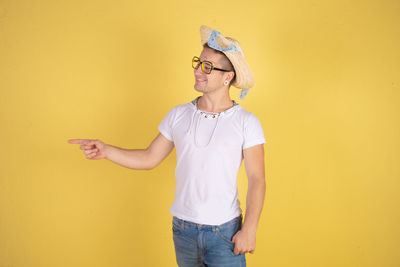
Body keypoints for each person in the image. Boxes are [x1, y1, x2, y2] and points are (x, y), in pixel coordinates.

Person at [68, 25, 266, 267]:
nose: (197, 71)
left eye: (207, 67)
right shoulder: (178, 115)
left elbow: (257, 178)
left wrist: (250, 230)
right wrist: (107, 150)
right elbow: (150, 158)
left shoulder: (246, 122)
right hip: (183, 230)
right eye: (198, 62)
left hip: (225, 233)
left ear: (228, 77)